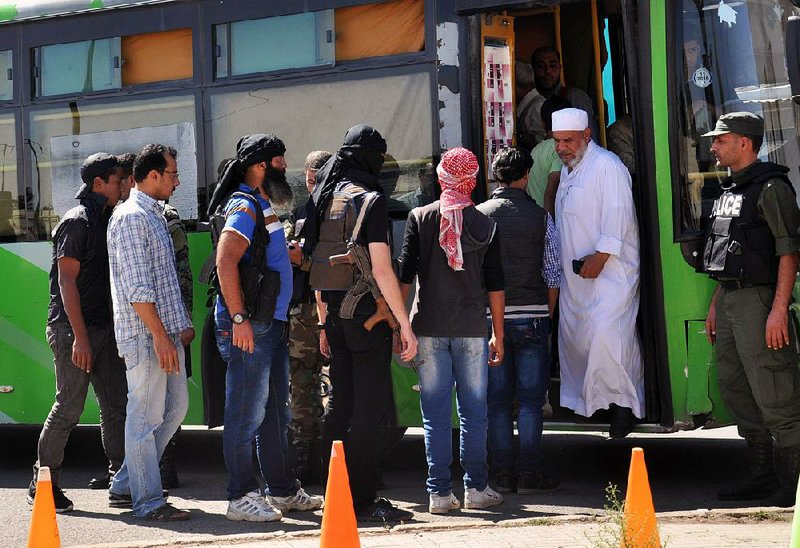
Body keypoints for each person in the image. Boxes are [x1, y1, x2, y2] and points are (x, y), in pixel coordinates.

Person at [207, 134, 322, 522]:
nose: (284, 167)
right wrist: (239, 319)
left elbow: (264, 254)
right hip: (250, 325)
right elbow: (225, 261)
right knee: (245, 413)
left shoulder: (261, 204)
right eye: (279, 161)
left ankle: (283, 491)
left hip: (270, 322)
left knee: (276, 413)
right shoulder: (243, 205)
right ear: (259, 164)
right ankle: (239, 496)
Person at [310, 124, 417, 522]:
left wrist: (323, 321)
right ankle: (363, 500)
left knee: (339, 405)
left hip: (335, 317)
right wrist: (403, 324)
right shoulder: (370, 201)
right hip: (367, 317)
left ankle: (333, 491)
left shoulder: (325, 197)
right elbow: (384, 269)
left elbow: (316, 265)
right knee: (369, 411)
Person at [398, 147, 505, 514]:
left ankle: (439, 494)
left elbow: (404, 274)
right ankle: (477, 488)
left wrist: (401, 326)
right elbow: (495, 285)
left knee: (436, 416)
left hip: (428, 328)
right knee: (475, 413)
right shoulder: (486, 224)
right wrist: (499, 335)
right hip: (473, 331)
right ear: (472, 179)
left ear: (442, 175)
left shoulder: (419, 217)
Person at [701, 112, 800, 507]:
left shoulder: (771, 187)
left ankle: (792, 484)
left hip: (760, 301)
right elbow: (723, 254)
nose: (713, 147)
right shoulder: (730, 189)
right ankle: (761, 474)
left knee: (775, 390)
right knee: (735, 386)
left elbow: (789, 251)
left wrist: (778, 310)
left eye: (720, 140)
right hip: (729, 300)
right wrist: (715, 304)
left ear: (745, 143)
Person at [27, 153, 128, 512]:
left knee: (116, 406)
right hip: (73, 331)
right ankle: (44, 482)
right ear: (98, 183)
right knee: (68, 407)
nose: (123, 185)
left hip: (102, 328)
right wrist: (81, 338)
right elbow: (66, 281)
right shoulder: (77, 221)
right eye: (117, 180)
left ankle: (122, 480)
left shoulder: (105, 218)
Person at [107, 144, 194, 521]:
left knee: (176, 408)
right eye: (172, 174)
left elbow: (162, 282)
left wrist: (178, 327)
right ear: (154, 175)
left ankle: (128, 483)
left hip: (162, 333)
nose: (177, 181)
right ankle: (148, 501)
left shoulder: (153, 215)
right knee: (143, 417)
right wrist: (160, 335)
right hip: (145, 336)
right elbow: (138, 289)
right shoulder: (130, 217)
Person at [552, 108, 644, 438]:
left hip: (611, 274)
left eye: (568, 140)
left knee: (610, 338)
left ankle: (625, 408)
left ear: (586, 136)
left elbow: (619, 215)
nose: (562, 147)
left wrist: (601, 256)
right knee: (580, 340)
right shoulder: (569, 170)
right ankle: (594, 405)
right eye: (557, 141)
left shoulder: (608, 166)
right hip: (576, 278)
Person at [477, 147, 561, 495]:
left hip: (489, 322)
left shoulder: (478, 216)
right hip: (533, 317)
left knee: (496, 403)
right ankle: (529, 475)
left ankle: (501, 476)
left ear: (495, 177)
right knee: (529, 401)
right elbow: (553, 273)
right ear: (526, 176)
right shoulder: (541, 217)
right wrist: (547, 313)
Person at [284, 149, 332, 483]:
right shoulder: (300, 214)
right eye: (309, 180)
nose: (313, 186)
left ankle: (338, 457)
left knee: (338, 392)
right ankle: (306, 462)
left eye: (319, 179)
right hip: (301, 311)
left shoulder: (341, 213)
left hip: (333, 313)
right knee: (301, 389)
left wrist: (303, 260)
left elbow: (343, 268)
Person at [523, 47, 598, 147]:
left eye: (553, 66)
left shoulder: (574, 97)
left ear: (560, 68)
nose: (548, 71)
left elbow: (591, 142)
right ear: (533, 70)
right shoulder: (529, 102)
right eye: (541, 66)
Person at [527, 96, 571, 214]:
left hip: (534, 217)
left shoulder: (537, 149)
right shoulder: (559, 150)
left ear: (542, 123)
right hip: (546, 221)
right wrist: (551, 228)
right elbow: (550, 195)